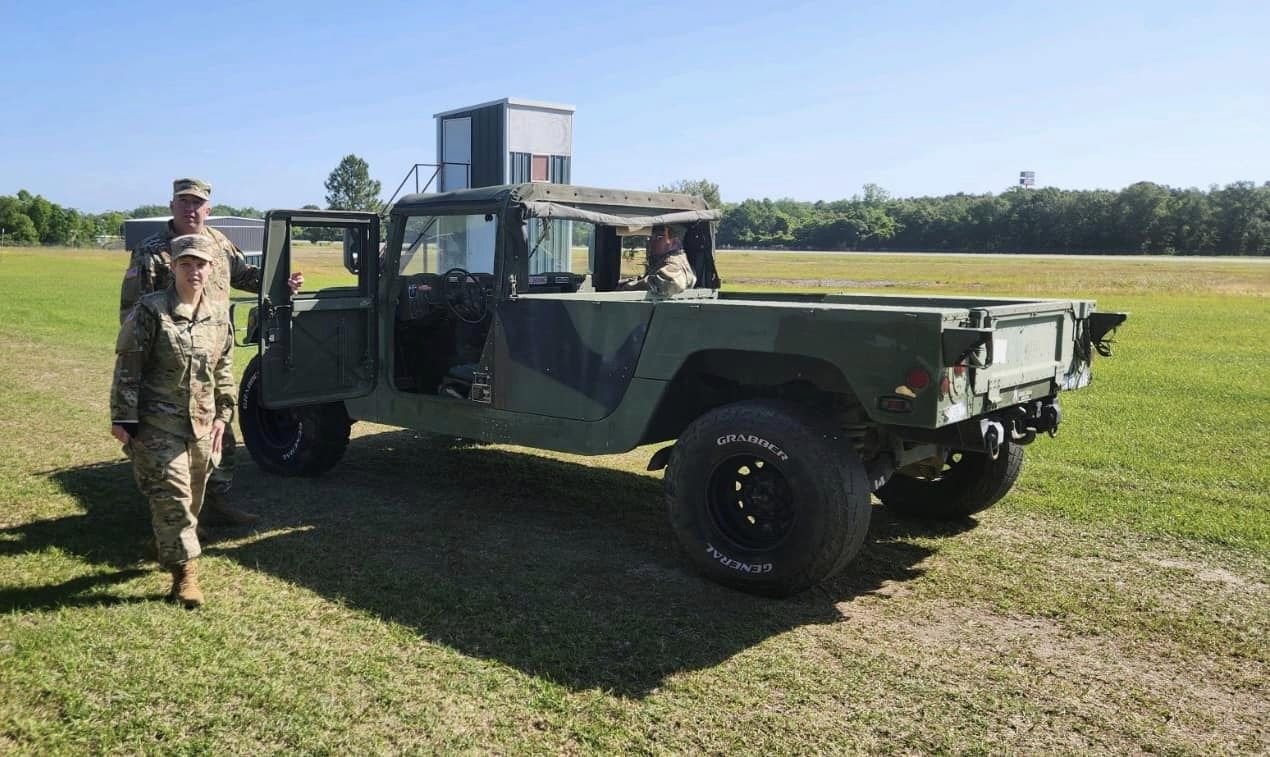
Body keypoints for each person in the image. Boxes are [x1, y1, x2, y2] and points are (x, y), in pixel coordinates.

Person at [119, 177, 302, 528]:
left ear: (208, 209)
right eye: (183, 202)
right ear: (172, 206)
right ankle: (175, 512)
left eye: (197, 203)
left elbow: (247, 276)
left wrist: (282, 282)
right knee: (171, 433)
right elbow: (131, 311)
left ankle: (216, 499)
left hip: (214, 353)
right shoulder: (152, 250)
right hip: (169, 360)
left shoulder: (219, 244)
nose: (191, 209)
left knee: (220, 427)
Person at [111, 235, 235, 608]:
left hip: (201, 423)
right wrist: (123, 418)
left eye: (200, 264)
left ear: (210, 269)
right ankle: (185, 577)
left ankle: (166, 542)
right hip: (157, 423)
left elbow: (223, 368)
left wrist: (223, 415)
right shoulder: (151, 311)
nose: (194, 271)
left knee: (193, 497)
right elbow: (128, 365)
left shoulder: (217, 314)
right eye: (186, 264)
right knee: (176, 498)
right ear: (174, 268)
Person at [616, 223, 697, 296]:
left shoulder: (674, 263)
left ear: (674, 242)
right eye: (651, 237)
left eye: (658, 237)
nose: (651, 242)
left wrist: (628, 287)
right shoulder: (662, 260)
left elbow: (674, 283)